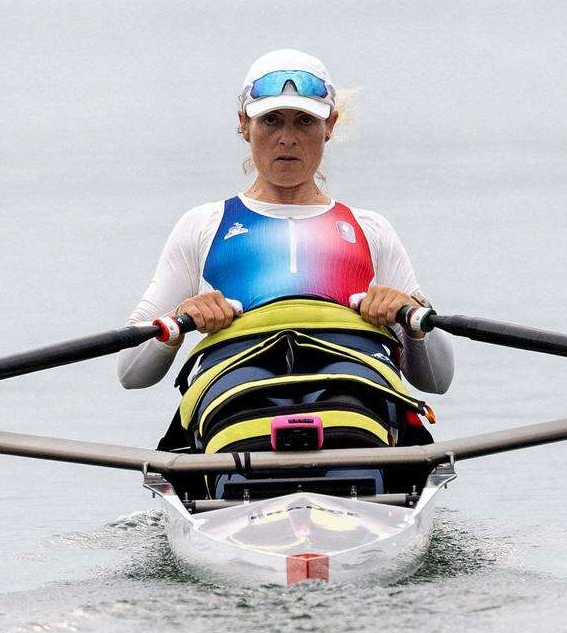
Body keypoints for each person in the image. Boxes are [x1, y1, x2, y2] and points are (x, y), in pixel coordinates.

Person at [115, 49, 455, 400]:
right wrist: (178, 321)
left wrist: (410, 322)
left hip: (352, 404)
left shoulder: (371, 230)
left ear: (330, 126)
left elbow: (438, 379)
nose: (287, 138)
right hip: (241, 405)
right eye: (272, 120)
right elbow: (130, 371)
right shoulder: (203, 226)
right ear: (244, 124)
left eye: (305, 121)